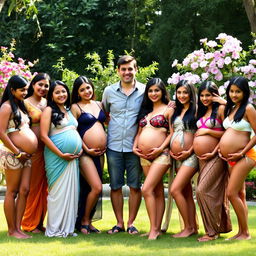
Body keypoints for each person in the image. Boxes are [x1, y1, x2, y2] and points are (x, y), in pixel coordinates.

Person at [102, 55, 145, 234]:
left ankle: (131, 223)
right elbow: (104, 114)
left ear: (136, 70)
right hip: (113, 146)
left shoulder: (144, 90)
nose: (127, 72)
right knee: (115, 186)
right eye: (123, 69)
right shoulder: (109, 91)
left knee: (135, 186)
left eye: (130, 69)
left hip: (136, 147)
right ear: (118, 71)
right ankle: (119, 223)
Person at [40, 80, 82, 237]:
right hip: (57, 158)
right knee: (57, 192)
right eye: (57, 92)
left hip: (72, 159)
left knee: (71, 193)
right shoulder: (48, 111)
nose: (61, 94)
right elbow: (44, 136)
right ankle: (55, 229)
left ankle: (67, 228)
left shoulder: (69, 110)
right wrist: (60, 154)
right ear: (51, 95)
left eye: (63, 91)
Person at [133, 78, 173, 240]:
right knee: (155, 191)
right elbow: (139, 133)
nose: (154, 93)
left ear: (163, 92)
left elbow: (171, 133)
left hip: (161, 155)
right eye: (150, 91)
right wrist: (135, 147)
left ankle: (154, 229)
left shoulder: (169, 109)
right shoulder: (145, 112)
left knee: (146, 189)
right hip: (144, 156)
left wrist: (161, 148)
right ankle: (154, 228)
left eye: (157, 90)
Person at [0, 75, 38, 239]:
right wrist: (17, 152)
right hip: (13, 154)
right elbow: (1, 132)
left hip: (26, 155)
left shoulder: (21, 106)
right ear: (12, 90)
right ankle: (11, 230)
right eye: (22, 90)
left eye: (26, 89)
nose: (25, 92)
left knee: (25, 190)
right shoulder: (6, 107)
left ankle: (18, 228)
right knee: (12, 191)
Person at [219, 76, 256, 240]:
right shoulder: (232, 108)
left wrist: (241, 152)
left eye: (238, 92)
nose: (234, 94)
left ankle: (245, 233)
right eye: (232, 91)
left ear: (245, 92)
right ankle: (241, 232)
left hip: (246, 156)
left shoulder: (249, 108)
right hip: (230, 158)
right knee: (240, 194)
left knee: (231, 193)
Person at [194, 81, 232, 242]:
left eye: (208, 95)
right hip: (202, 158)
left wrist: (208, 132)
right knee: (214, 194)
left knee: (202, 190)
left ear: (215, 95)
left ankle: (212, 231)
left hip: (216, 156)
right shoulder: (201, 111)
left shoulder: (221, 110)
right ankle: (217, 228)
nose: (204, 98)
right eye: (202, 95)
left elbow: (228, 132)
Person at [71, 76, 106, 234]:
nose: (86, 91)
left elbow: (108, 123)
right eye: (82, 89)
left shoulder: (99, 104)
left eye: (88, 87)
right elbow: (73, 132)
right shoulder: (75, 107)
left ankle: (89, 221)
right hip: (85, 153)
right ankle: (83, 220)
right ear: (77, 93)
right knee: (96, 187)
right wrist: (86, 148)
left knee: (91, 189)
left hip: (100, 153)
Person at [21, 73, 50, 233]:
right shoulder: (24, 103)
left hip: (49, 152)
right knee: (33, 187)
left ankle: (39, 222)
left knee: (45, 189)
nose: (43, 88)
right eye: (40, 84)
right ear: (33, 85)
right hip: (33, 152)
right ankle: (29, 224)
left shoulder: (48, 102)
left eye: (46, 86)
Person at [169, 80, 198, 238]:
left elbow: (199, 133)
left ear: (191, 94)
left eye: (185, 92)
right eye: (179, 92)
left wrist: (189, 151)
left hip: (191, 156)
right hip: (177, 157)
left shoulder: (196, 111)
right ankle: (193, 227)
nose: (181, 95)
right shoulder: (175, 111)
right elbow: (172, 132)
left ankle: (187, 227)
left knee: (175, 189)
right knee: (186, 193)